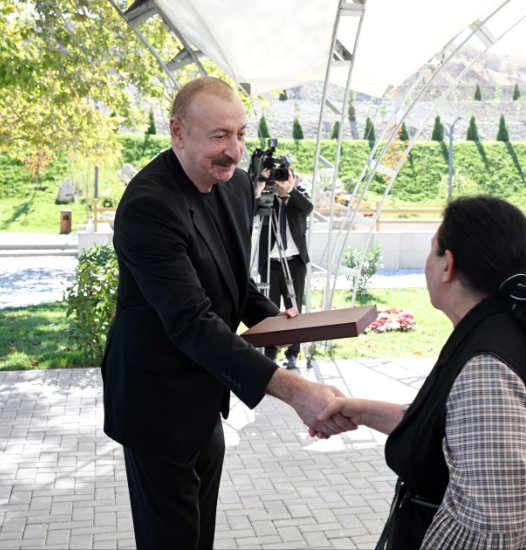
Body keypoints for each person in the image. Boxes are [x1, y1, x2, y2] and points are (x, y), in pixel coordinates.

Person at [101, 76, 353, 549]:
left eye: (240, 134)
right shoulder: (148, 205)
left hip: (203, 397)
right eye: (219, 136)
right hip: (154, 404)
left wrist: (271, 314)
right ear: (177, 132)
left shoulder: (235, 186)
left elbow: (234, 281)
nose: (235, 152)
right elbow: (190, 320)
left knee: (200, 535)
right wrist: (294, 390)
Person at [318, 196, 526, 548]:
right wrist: (361, 411)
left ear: (447, 264)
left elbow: (492, 531)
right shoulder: (510, 329)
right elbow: (459, 431)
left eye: (432, 251)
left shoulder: (489, 369)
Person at [257, 168, 313, 369]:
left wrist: (290, 189)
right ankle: (269, 352)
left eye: (285, 176)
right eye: (279, 176)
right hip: (270, 264)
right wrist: (262, 182)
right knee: (269, 309)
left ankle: (292, 353)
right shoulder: (267, 198)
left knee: (294, 308)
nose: (281, 180)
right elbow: (250, 207)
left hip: (294, 263)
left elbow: (308, 208)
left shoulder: (299, 198)